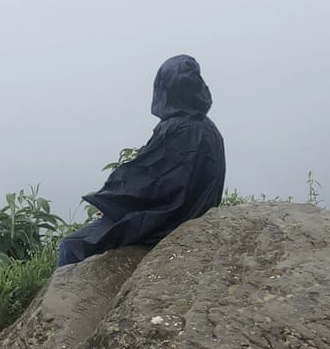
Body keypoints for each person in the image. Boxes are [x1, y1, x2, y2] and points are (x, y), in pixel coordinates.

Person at [57, 55, 226, 266]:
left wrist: (115, 205)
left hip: (166, 222)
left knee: (71, 246)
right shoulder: (210, 130)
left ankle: (61, 298)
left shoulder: (176, 127)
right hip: (191, 216)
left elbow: (150, 178)